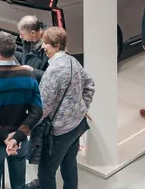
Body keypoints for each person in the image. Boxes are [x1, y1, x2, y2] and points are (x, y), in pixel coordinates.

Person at [0, 31, 42, 189]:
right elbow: (37, 111)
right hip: (19, 141)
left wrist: (5, 137)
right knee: (18, 184)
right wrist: (16, 137)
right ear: (14, 51)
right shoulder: (28, 76)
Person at [35, 27, 94, 189]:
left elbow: (43, 107)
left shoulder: (53, 71)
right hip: (77, 125)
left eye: (46, 43)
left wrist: (26, 127)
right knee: (69, 164)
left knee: (46, 172)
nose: (43, 46)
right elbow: (89, 84)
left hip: (59, 132)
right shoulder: (73, 61)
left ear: (56, 45)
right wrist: (82, 108)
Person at [15, 15, 48, 81]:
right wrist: (10, 52)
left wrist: (32, 71)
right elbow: (26, 59)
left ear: (32, 33)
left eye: (22, 34)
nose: (20, 37)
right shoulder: (27, 41)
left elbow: (51, 77)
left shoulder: (48, 48)